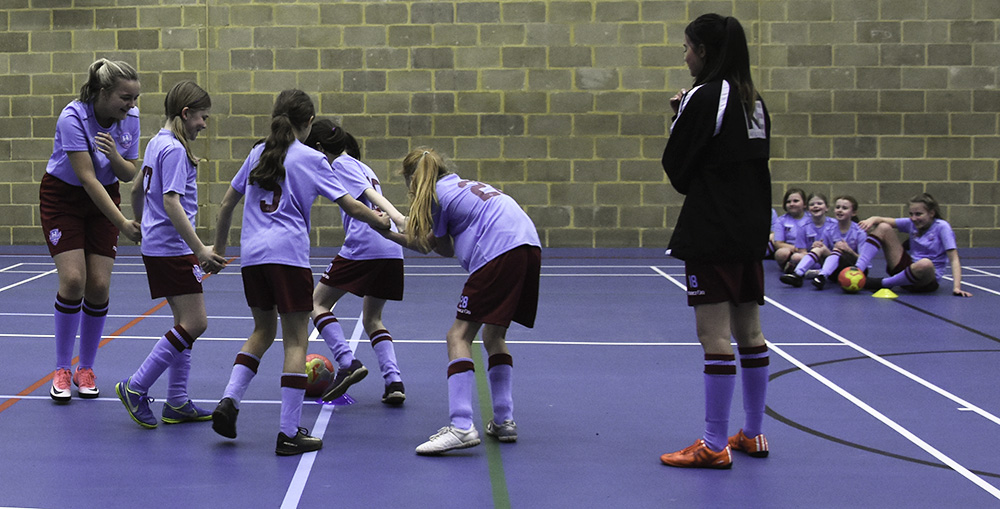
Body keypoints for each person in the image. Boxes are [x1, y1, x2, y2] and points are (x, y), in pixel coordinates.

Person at [209, 90, 391, 456]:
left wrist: (219, 249)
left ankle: (229, 400)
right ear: (308, 123)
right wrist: (380, 220)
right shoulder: (311, 158)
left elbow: (227, 203)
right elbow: (351, 205)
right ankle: (289, 432)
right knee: (295, 342)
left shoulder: (257, 153)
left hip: (253, 257)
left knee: (261, 331)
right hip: (288, 257)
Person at [659, 13, 772, 469]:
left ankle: (712, 443)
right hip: (750, 230)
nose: (684, 57)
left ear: (704, 52)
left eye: (687, 49)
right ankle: (754, 433)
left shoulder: (705, 95)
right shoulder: (753, 99)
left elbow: (678, 169)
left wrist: (680, 116)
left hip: (713, 230)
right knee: (751, 333)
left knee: (714, 336)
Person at [376, 148, 541, 456]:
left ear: (412, 179)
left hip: (498, 250)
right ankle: (504, 419)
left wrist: (385, 231)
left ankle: (462, 425)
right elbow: (441, 246)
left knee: (458, 335)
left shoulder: (436, 196)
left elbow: (432, 247)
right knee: (494, 335)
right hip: (528, 246)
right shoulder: (460, 186)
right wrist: (395, 230)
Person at [114, 81, 228, 428]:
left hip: (159, 245)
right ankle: (136, 386)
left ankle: (176, 400)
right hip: (172, 248)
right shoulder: (175, 149)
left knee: (184, 325)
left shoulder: (156, 143)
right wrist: (200, 249)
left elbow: (136, 188)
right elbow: (171, 201)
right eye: (202, 117)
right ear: (186, 113)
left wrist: (140, 222)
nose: (204, 124)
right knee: (196, 323)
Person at [40, 58, 142, 403]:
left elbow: (128, 173)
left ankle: (86, 368)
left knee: (98, 285)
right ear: (102, 92)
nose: (131, 105)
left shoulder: (131, 119)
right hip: (64, 198)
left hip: (105, 194)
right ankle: (61, 369)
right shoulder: (73, 117)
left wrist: (114, 156)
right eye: (125, 98)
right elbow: (86, 178)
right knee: (73, 280)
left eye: (135, 98)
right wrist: (123, 223)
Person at [303, 120, 409, 405]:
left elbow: (368, 196)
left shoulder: (340, 165)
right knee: (372, 319)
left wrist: (398, 217)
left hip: (366, 243)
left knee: (316, 303)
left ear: (320, 148)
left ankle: (347, 361)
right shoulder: (364, 167)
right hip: (390, 248)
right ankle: (394, 381)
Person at [854, 193, 972, 297]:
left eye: (918, 214)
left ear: (931, 213)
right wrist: (873, 219)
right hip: (907, 270)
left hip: (925, 280)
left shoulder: (942, 227)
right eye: (911, 214)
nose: (914, 218)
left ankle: (884, 283)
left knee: (925, 263)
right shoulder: (912, 223)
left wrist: (957, 287)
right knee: (883, 227)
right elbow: (884, 220)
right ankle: (857, 270)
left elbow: (954, 259)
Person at [779, 193, 837, 287]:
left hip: (830, 257)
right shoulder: (802, 226)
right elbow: (802, 250)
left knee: (820, 248)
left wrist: (823, 250)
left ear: (827, 208)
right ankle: (804, 273)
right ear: (808, 209)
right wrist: (813, 256)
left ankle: (809, 271)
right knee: (796, 257)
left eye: (819, 203)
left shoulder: (835, 224)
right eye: (812, 204)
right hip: (812, 258)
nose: (815, 206)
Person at [809, 195, 867, 289]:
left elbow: (865, 262)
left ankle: (821, 274)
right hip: (834, 270)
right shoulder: (829, 229)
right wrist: (818, 246)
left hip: (854, 271)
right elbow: (824, 254)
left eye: (844, 208)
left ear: (853, 213)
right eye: (837, 207)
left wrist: (849, 250)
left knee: (837, 250)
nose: (840, 210)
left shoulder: (859, 232)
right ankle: (798, 273)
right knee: (820, 248)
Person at [772, 188, 807, 273]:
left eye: (796, 201)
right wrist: (796, 249)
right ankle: (790, 267)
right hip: (791, 250)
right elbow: (778, 243)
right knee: (781, 253)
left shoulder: (812, 219)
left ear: (804, 204)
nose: (792, 204)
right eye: (788, 202)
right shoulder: (781, 220)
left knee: (799, 257)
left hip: (807, 251)